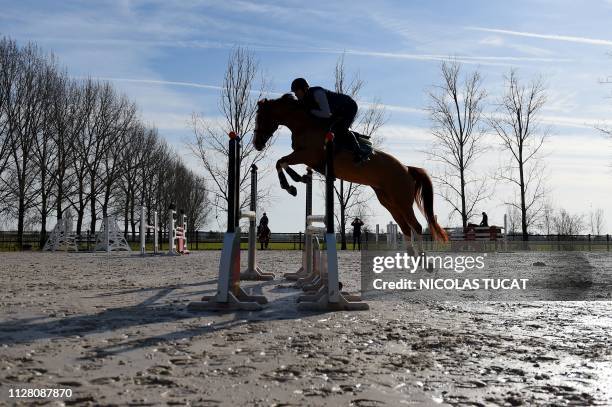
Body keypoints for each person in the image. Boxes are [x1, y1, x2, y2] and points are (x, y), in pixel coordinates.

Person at [291, 78, 369, 163]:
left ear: (304, 89)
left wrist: (310, 111)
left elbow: (325, 114)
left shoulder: (317, 93)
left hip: (349, 107)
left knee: (340, 129)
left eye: (296, 91)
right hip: (337, 110)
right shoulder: (305, 99)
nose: (295, 94)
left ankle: (360, 153)